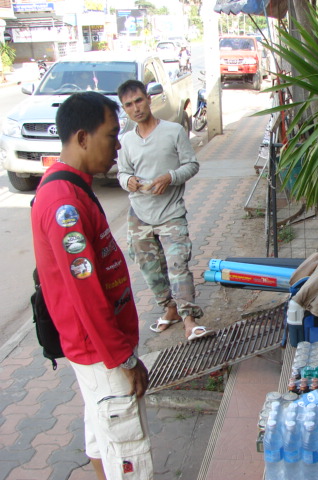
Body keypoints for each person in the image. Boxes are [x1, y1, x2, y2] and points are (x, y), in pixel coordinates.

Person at [31, 91, 153, 479]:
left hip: (95, 348)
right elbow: (85, 296)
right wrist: (124, 358)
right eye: (111, 135)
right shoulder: (63, 203)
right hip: (101, 350)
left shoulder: (69, 185)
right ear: (82, 138)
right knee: (127, 450)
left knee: (103, 433)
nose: (118, 146)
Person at [116, 79, 208, 341]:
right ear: (124, 109)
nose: (136, 108)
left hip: (170, 212)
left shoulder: (173, 131)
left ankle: (190, 320)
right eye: (128, 105)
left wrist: (170, 177)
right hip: (139, 213)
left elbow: (192, 165)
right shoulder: (126, 141)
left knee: (178, 265)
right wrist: (128, 181)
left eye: (139, 101)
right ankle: (170, 308)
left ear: (148, 99)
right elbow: (122, 173)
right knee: (149, 268)